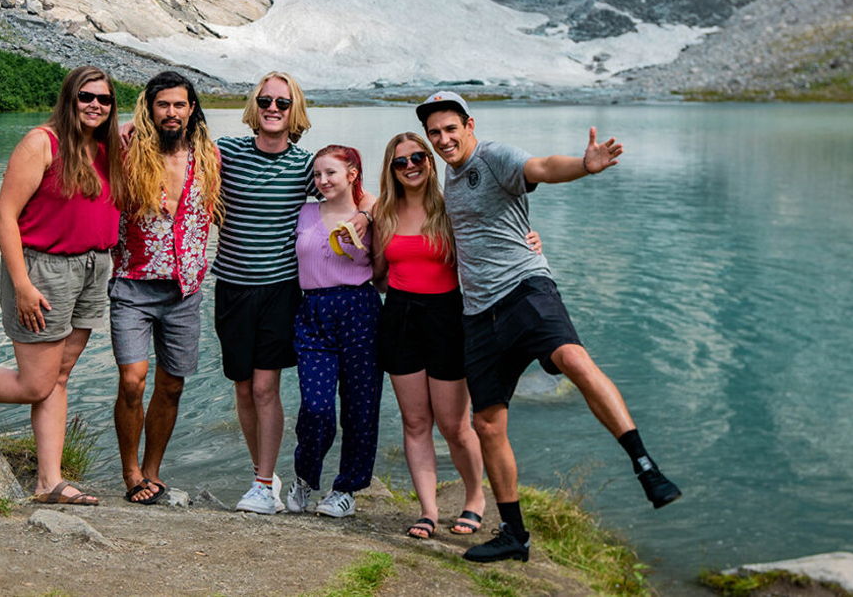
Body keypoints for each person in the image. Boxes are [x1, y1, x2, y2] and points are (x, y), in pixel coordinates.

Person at [416, 91, 682, 563]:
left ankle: (645, 466)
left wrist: (584, 165)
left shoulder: (495, 155)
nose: (442, 139)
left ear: (469, 124)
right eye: (434, 133)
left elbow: (539, 167)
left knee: (572, 357)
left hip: (524, 288)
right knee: (486, 423)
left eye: (450, 129)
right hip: (478, 313)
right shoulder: (450, 183)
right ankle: (514, 535)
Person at [0, 65, 124, 505]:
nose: (95, 105)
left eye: (104, 99)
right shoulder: (41, 142)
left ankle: (48, 482)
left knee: (59, 377)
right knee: (36, 382)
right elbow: (4, 216)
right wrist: (21, 283)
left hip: (94, 269)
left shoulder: (109, 147)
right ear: (69, 98)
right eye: (85, 97)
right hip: (44, 270)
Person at [212, 71, 374, 514]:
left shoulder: (306, 166)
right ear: (254, 105)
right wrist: (130, 127)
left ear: (293, 112)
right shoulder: (224, 152)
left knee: (266, 387)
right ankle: (264, 474)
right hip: (232, 285)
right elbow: (175, 159)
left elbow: (354, 193)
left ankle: (264, 485)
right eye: (265, 100)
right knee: (243, 389)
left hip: (282, 291)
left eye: (282, 104)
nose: (272, 109)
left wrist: (366, 216)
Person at [372, 133, 543, 539]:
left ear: (430, 163)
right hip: (399, 317)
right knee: (415, 422)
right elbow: (377, 275)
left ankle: (474, 498)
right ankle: (428, 511)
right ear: (391, 169)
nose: (411, 165)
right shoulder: (383, 211)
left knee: (453, 424)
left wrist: (530, 241)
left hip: (447, 316)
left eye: (418, 157)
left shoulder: (451, 206)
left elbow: (495, 233)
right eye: (401, 161)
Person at [109, 71, 221, 505]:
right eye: (163, 105)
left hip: (185, 289)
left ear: (191, 108)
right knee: (133, 381)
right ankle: (130, 470)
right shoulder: (126, 150)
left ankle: (152, 469)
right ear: (149, 109)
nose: (171, 112)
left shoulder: (209, 155)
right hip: (133, 283)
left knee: (172, 386)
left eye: (179, 104)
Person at [284, 146, 383, 518]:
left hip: (360, 309)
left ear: (352, 174)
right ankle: (305, 478)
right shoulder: (305, 212)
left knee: (360, 406)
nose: (322, 181)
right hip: (313, 311)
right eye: (318, 175)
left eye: (331, 174)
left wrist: (368, 211)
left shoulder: (374, 214)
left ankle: (346, 488)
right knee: (316, 406)